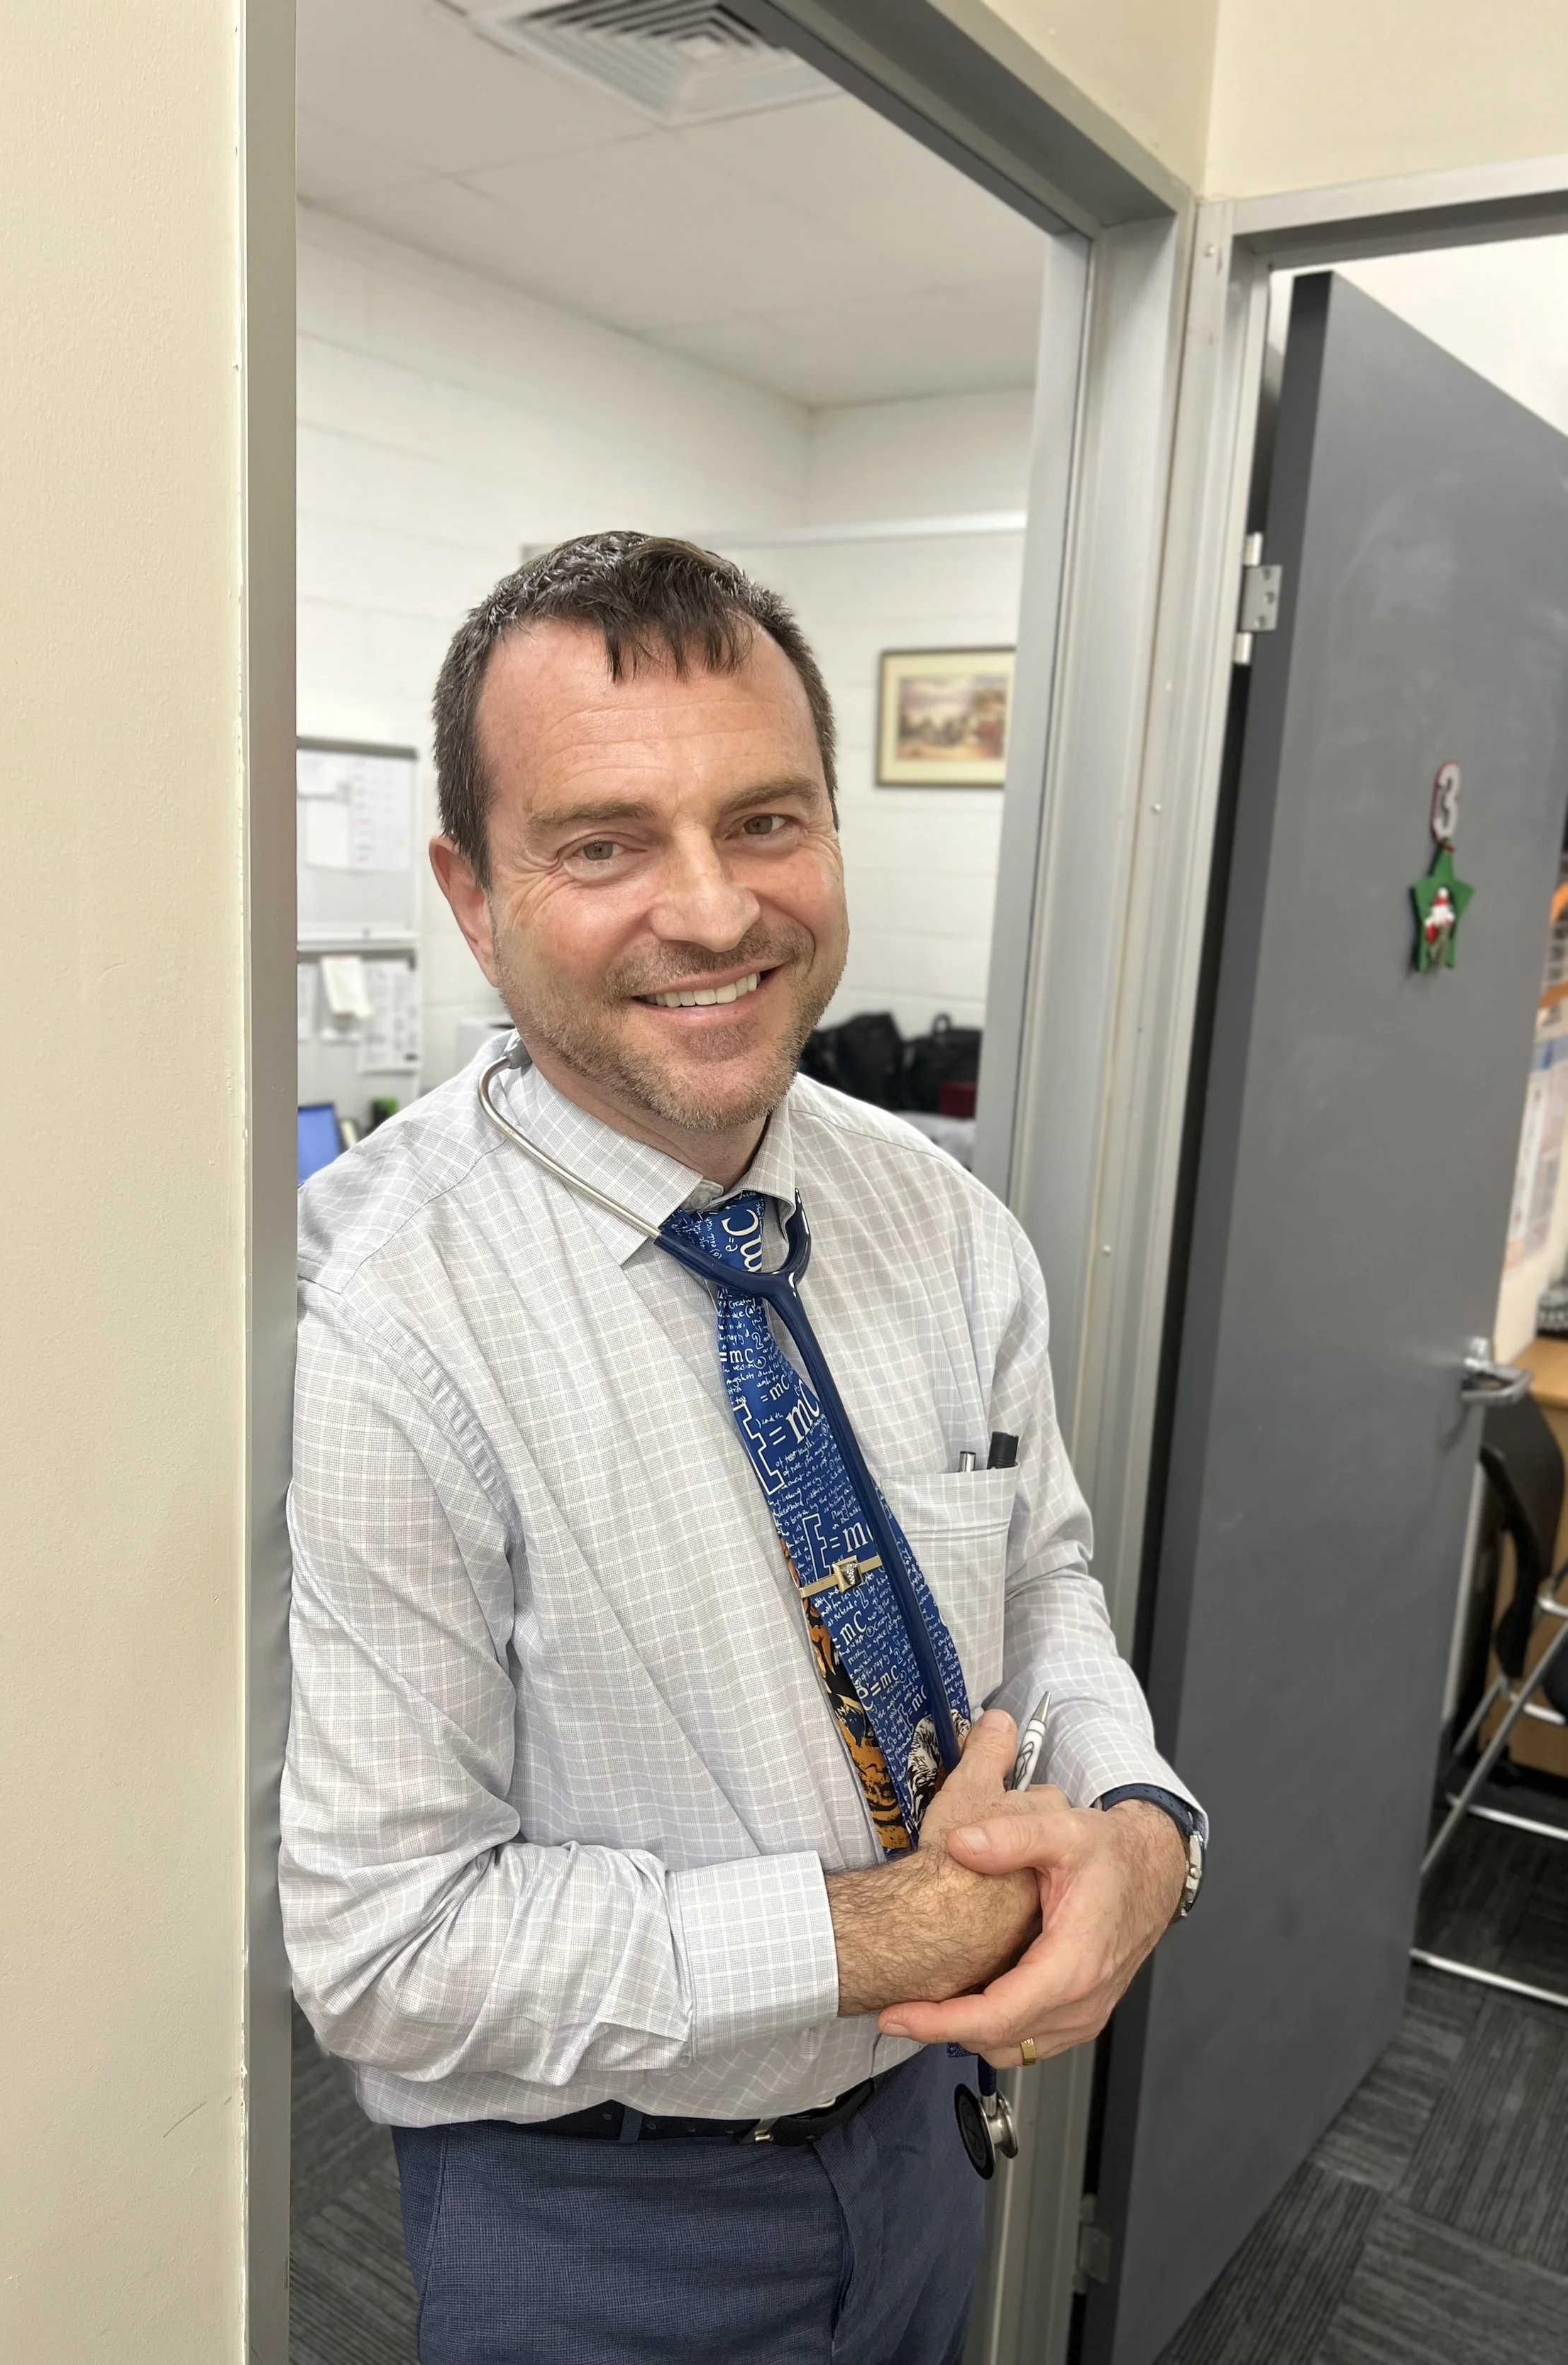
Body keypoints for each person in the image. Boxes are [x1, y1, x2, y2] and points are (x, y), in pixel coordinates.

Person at [282, 533, 1205, 2365]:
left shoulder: (939, 1221)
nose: (711, 912)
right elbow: (384, 1948)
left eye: (767, 821)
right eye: (604, 841)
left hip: (927, 2133)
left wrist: (1141, 1817)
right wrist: (909, 1923)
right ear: (473, 894)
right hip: (599, 2198)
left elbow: (1042, 1577)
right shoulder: (376, 1320)